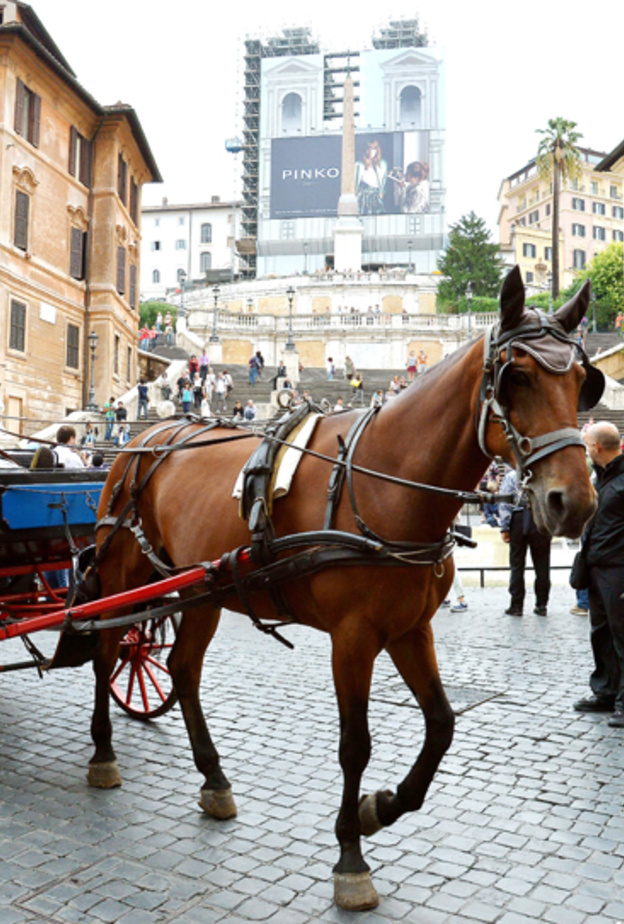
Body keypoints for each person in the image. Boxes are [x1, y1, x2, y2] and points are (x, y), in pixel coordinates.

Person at [573, 422, 624, 727]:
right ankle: (605, 691)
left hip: (619, 572)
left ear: (596, 448)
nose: (584, 448)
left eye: (585, 443)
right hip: (597, 569)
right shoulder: (600, 478)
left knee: (622, 637)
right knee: (601, 634)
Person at [499, 465, 551, 616]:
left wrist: (505, 527)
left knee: (517, 565)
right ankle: (542, 605)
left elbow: (505, 501)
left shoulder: (512, 476)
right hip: (540, 519)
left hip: (518, 519)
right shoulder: (544, 475)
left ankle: (516, 605)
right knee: (542, 565)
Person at [355, 139, 388, 215]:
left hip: (376, 197)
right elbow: (354, 183)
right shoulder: (358, 165)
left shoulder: (383, 164)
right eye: (368, 149)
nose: (370, 152)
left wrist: (381, 192)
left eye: (373, 149)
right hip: (363, 196)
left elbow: (383, 181)